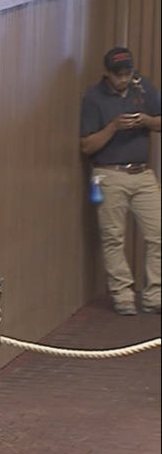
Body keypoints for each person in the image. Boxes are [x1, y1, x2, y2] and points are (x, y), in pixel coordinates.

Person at [79, 46, 162, 315]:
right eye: (119, 75)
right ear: (107, 74)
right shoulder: (94, 98)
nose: (124, 79)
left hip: (144, 173)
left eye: (128, 73)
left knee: (158, 234)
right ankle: (123, 295)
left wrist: (148, 120)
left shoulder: (143, 88)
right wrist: (114, 126)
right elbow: (87, 146)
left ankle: (154, 295)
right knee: (113, 237)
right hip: (108, 175)